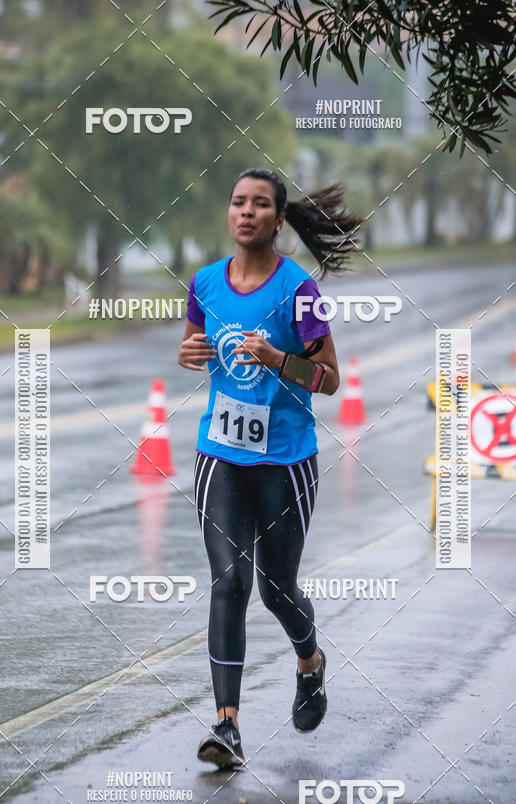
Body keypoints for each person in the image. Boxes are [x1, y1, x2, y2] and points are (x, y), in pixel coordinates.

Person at [177, 167, 361, 769]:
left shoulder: (298, 291)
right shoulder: (205, 283)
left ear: (279, 219)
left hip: (284, 460)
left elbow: (329, 381)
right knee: (229, 582)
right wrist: (187, 354)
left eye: (259, 204)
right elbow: (195, 346)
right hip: (220, 457)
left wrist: (280, 359)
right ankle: (227, 725)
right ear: (228, 215)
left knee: (277, 590)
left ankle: (309, 660)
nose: (246, 212)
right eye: (237, 203)